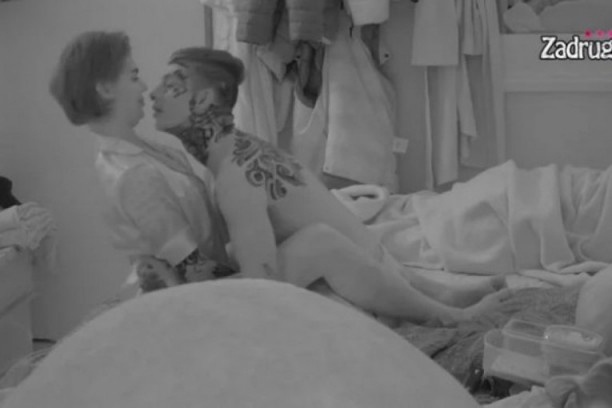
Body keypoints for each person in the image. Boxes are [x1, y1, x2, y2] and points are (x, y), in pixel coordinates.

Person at [147, 46, 519, 326]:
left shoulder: (234, 176)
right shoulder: (236, 153)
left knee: (317, 236)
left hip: (359, 283)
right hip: (361, 265)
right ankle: (436, 296)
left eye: (170, 86)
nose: (153, 94)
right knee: (313, 236)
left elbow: (260, 287)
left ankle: (441, 308)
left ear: (202, 100)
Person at [49, 31, 237, 292]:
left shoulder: (148, 151)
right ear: (105, 88)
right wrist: (258, 276)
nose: (145, 87)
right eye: (134, 76)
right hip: (189, 299)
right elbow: (195, 269)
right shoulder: (132, 173)